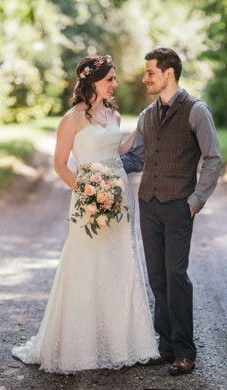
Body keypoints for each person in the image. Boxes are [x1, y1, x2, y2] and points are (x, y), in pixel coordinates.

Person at [12, 55, 159, 373]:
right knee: (86, 263)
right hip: (88, 203)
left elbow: (116, 152)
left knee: (120, 263)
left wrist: (142, 130)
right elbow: (60, 164)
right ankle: (80, 345)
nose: (115, 84)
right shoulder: (72, 119)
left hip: (120, 201)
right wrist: (86, 194)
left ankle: (125, 343)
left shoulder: (114, 115)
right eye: (110, 79)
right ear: (92, 82)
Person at [121, 46, 222, 376]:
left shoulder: (196, 110)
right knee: (157, 277)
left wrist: (195, 201)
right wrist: (103, 169)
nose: (144, 78)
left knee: (176, 277)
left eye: (150, 72)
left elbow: (213, 158)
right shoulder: (146, 115)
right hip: (148, 205)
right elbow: (136, 159)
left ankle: (184, 350)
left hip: (180, 206)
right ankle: (164, 346)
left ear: (169, 73)